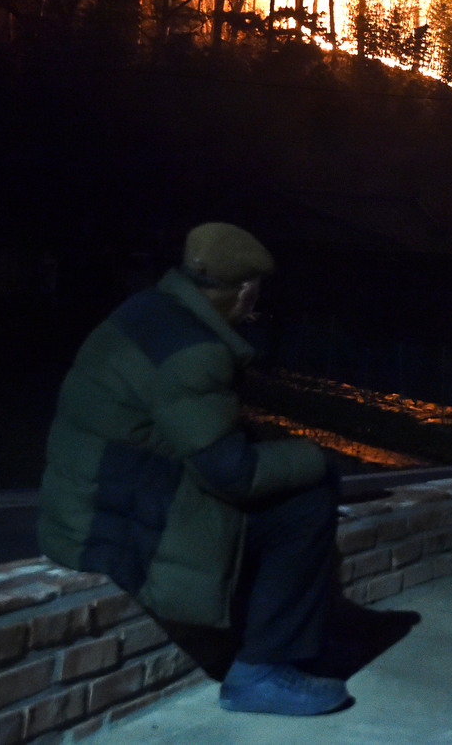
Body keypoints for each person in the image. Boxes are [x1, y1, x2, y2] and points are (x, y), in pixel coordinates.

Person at [38, 222, 350, 716]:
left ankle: (255, 634)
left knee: (282, 491)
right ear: (246, 289)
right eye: (255, 291)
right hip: (117, 523)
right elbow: (232, 474)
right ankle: (259, 672)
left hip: (81, 505)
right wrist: (314, 457)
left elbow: (192, 429)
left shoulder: (151, 308)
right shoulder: (197, 351)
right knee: (306, 505)